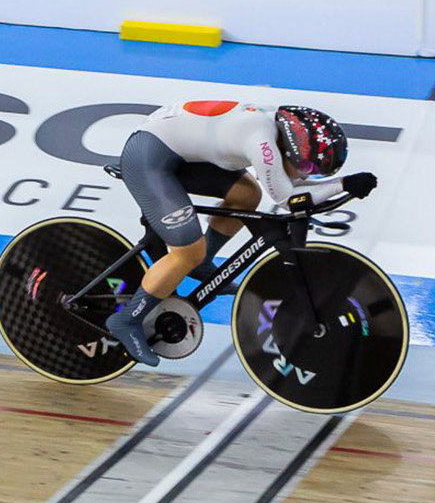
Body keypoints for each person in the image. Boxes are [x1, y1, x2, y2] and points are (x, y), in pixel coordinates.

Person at [102, 101, 376, 366]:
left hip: (176, 148)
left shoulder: (278, 131)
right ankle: (127, 320)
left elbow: (294, 183)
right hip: (148, 158)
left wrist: (342, 184)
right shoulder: (261, 141)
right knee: (188, 251)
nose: (308, 175)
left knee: (246, 194)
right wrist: (342, 184)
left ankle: (202, 261)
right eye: (308, 168)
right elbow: (287, 197)